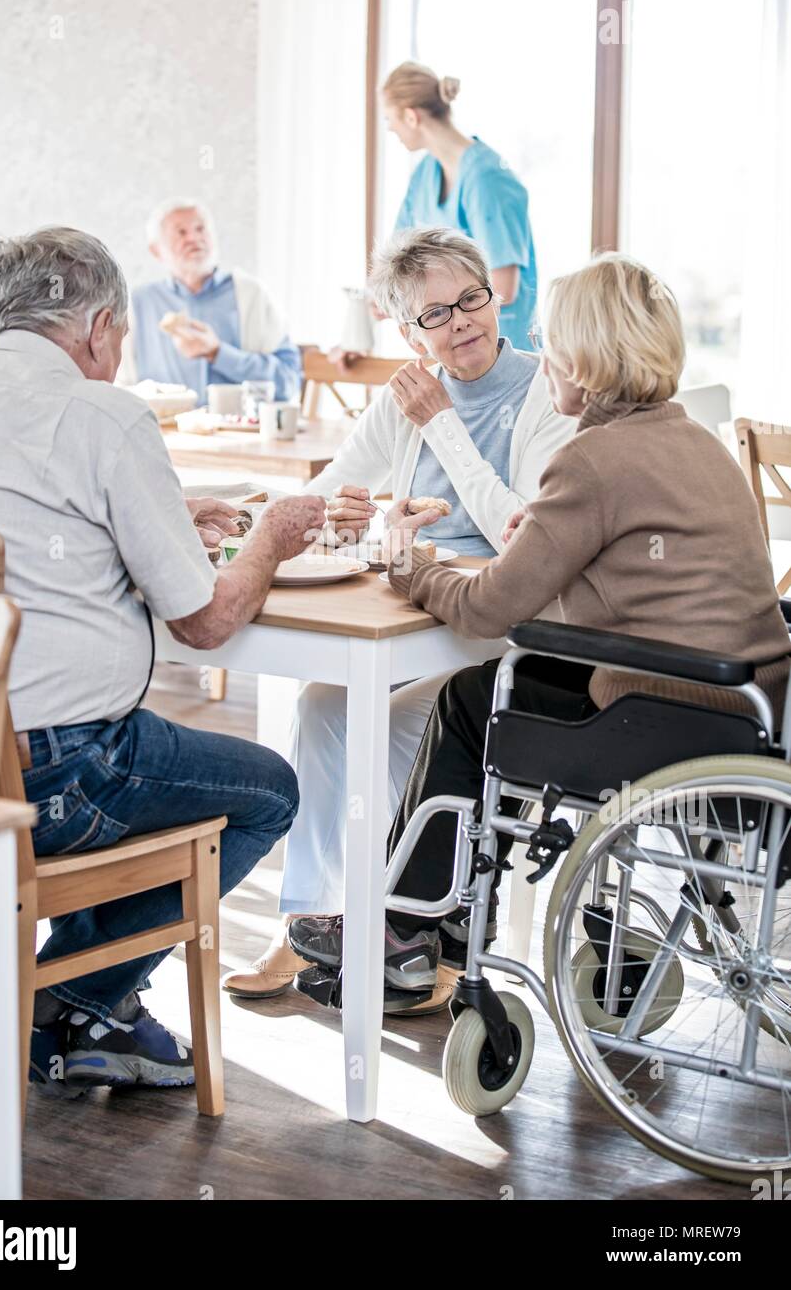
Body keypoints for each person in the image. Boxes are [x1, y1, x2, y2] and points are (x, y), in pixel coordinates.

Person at [287, 252, 791, 1008]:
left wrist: (406, 567)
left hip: (663, 713)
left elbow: (492, 606)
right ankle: (434, 924)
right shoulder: (699, 443)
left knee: (470, 699)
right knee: (484, 687)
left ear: (583, 362)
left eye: (552, 340)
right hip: (750, 706)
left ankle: (409, 928)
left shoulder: (591, 459)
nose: (538, 352)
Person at [0, 226, 325, 1095]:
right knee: (269, 791)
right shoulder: (103, 413)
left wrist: (158, 506)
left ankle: (84, 1010)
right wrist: (271, 537)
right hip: (54, 778)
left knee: (159, 766)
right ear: (102, 325)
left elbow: (18, 516)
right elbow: (208, 623)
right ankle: (76, 996)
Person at [223, 227, 574, 1007]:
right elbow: (337, 491)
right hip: (416, 610)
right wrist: (343, 515)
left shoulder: (546, 390)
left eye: (471, 299)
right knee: (323, 708)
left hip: (492, 630)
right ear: (407, 331)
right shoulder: (404, 398)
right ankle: (315, 918)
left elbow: (522, 534)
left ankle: (410, 927)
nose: (461, 322)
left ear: (494, 294)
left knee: (377, 730)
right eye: (435, 315)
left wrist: (443, 424)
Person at [382, 61, 538, 352]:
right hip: (452, 354)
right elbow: (393, 266)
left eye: (390, 118)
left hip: (503, 355)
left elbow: (503, 286)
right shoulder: (425, 174)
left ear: (411, 116)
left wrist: (437, 309)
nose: (390, 127)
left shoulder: (487, 178)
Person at [129, 197, 302, 400]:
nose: (193, 238)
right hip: (162, 431)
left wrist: (218, 353)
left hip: (240, 430)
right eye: (181, 232)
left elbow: (288, 383)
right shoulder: (135, 305)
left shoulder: (252, 295)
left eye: (201, 229)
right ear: (156, 251)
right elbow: (119, 390)